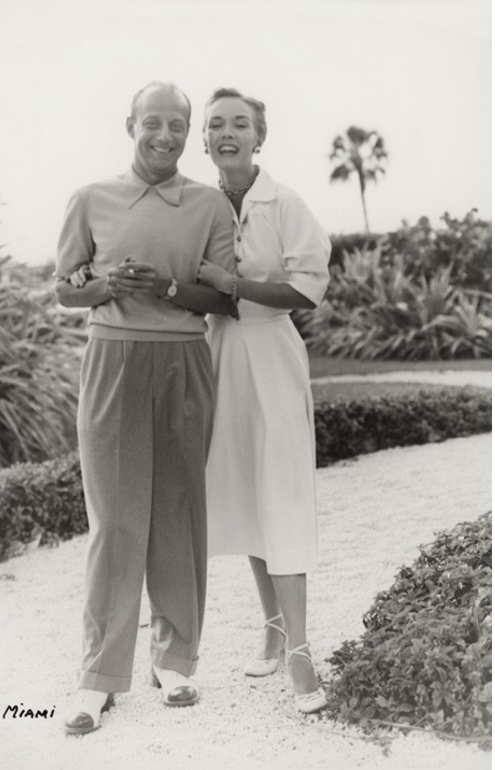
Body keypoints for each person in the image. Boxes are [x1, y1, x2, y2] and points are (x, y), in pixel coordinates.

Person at [55, 81, 236, 735]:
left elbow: (223, 301)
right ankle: (98, 677)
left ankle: (176, 659)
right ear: (129, 123)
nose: (164, 136)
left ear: (188, 132)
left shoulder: (210, 204)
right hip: (113, 360)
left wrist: (166, 286)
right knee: (116, 519)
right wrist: (106, 285)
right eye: (152, 123)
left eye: (177, 126)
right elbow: (65, 289)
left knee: (179, 511)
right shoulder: (90, 199)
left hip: (185, 363)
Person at [198, 88, 331, 714]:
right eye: (216, 124)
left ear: (259, 136)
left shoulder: (286, 201)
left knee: (280, 490)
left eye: (240, 124)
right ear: (204, 139)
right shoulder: (197, 204)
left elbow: (306, 290)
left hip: (271, 355)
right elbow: (190, 285)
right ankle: (274, 629)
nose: (228, 133)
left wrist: (234, 284)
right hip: (220, 356)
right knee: (249, 493)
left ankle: (301, 650)